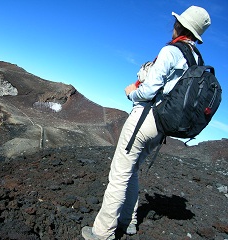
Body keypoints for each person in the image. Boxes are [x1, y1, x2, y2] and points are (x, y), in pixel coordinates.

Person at [82, 5, 211, 240]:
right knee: (131, 172)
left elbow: (150, 89)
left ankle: (102, 233)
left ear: (181, 26)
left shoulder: (172, 51)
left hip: (145, 118)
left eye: (176, 23)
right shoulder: (196, 61)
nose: (173, 26)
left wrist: (131, 92)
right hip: (162, 128)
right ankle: (127, 222)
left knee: (119, 173)